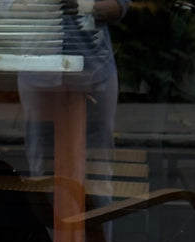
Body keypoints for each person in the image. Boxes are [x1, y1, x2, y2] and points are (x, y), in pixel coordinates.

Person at [20, 0, 132, 180]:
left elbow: (119, 5)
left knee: (98, 167)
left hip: (94, 70)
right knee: (43, 165)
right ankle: (46, 206)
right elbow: (8, 7)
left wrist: (84, 6)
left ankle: (99, 208)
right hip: (38, 69)